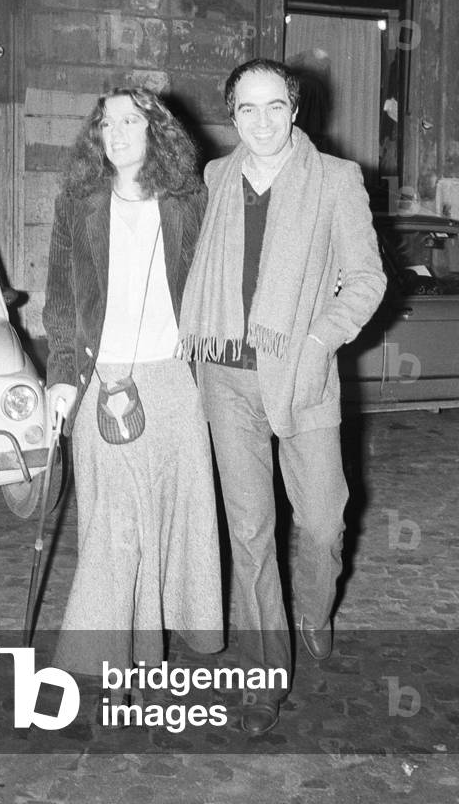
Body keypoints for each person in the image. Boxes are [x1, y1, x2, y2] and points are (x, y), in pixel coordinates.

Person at [178, 59, 386, 735]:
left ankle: (314, 610)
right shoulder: (215, 179)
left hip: (299, 376)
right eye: (245, 109)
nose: (260, 121)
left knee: (323, 525)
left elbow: (365, 280)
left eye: (274, 107)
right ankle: (265, 670)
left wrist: (320, 341)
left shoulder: (334, 180)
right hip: (226, 377)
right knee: (249, 532)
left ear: (295, 111)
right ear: (231, 114)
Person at [42, 87, 223, 680]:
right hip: (104, 380)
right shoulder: (78, 202)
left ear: (155, 130)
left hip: (174, 386)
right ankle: (99, 661)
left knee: (172, 521)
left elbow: (216, 287)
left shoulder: (190, 200)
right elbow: (62, 303)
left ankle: (155, 654)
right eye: (106, 121)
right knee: (114, 527)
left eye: (130, 119)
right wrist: (62, 377)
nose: (116, 131)